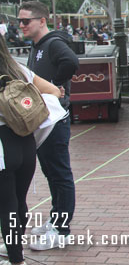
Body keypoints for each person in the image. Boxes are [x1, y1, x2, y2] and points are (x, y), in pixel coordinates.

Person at [17, 1, 79, 250]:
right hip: (44, 119)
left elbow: (71, 62)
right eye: (19, 21)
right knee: (52, 173)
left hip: (54, 119)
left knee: (59, 173)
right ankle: (56, 219)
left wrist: (55, 85)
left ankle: (62, 230)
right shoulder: (37, 47)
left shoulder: (53, 43)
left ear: (42, 21)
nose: (21, 25)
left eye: (26, 21)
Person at [0, 35, 62, 265]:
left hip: (2, 148)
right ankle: (17, 255)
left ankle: (15, 257)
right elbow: (54, 91)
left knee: (6, 205)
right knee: (18, 202)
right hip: (25, 142)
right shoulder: (17, 69)